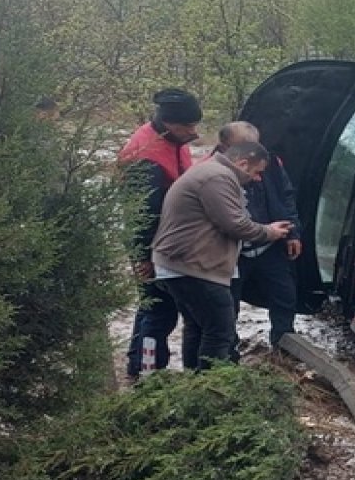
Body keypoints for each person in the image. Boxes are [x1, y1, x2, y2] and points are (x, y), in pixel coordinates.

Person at [150, 141, 291, 371]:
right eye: (257, 172)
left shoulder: (210, 170)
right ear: (243, 163)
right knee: (221, 331)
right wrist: (269, 232)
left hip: (176, 265)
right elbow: (234, 224)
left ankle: (194, 387)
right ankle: (210, 390)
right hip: (193, 268)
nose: (258, 179)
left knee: (198, 327)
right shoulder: (218, 177)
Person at [117, 88, 202, 381]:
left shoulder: (171, 139)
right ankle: (148, 373)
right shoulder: (147, 158)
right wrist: (145, 257)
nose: (194, 133)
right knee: (160, 311)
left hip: (162, 242)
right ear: (169, 123)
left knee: (150, 306)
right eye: (188, 127)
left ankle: (136, 363)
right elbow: (141, 216)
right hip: (151, 245)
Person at [214, 121, 303, 349]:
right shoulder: (213, 171)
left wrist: (293, 232)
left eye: (255, 146)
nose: (252, 154)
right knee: (226, 306)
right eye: (244, 147)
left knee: (285, 295)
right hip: (233, 251)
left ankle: (284, 346)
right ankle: (226, 357)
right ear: (225, 146)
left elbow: (286, 197)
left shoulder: (270, 162)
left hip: (270, 245)